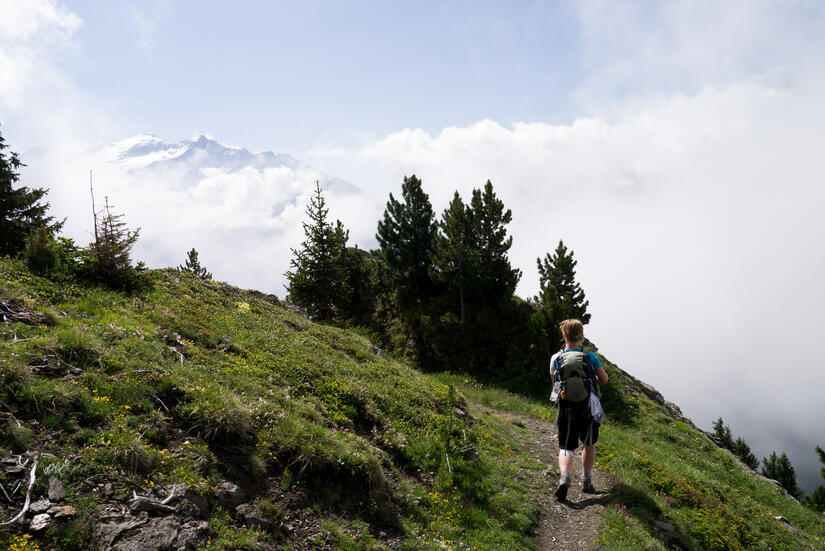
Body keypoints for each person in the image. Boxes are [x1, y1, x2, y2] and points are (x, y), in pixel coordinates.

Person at [549, 319, 608, 501]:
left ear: (564, 334)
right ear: (581, 335)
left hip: (566, 407)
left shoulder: (556, 358)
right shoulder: (590, 356)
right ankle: (586, 481)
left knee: (566, 446)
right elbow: (604, 380)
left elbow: (555, 383)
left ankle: (565, 477)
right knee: (589, 443)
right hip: (588, 408)